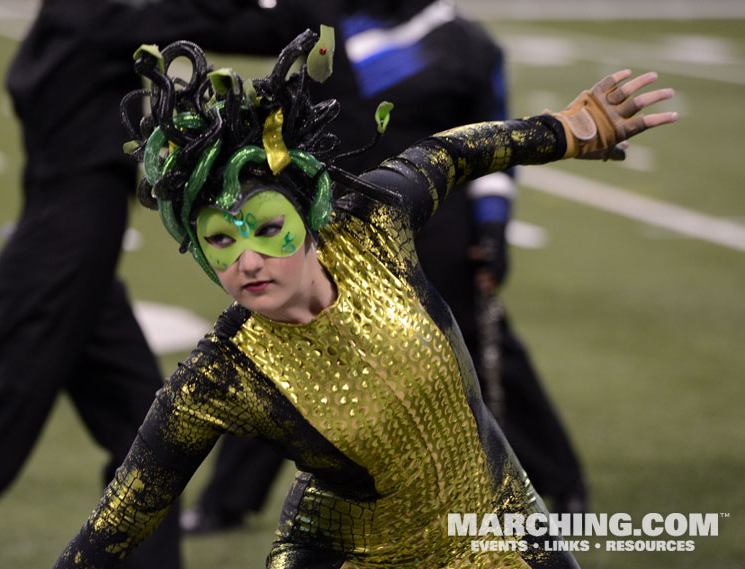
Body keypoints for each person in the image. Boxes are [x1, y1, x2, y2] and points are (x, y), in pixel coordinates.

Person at [51, 27, 675, 568]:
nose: (247, 260)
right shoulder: (218, 376)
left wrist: (567, 130)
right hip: (343, 557)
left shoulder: (372, 220)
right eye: (220, 240)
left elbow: (451, 153)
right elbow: (117, 523)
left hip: (498, 518)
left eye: (268, 229)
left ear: (311, 215)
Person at [0, 2, 335, 568]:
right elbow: (222, 26)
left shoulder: (64, 26)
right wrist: (303, 16)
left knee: (145, 436)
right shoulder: (94, 22)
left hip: (74, 264)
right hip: (63, 264)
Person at [182, 0, 586, 534]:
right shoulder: (322, 17)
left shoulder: (467, 41)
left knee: (476, 350)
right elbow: (233, 23)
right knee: (290, 349)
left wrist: (492, 227)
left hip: (437, 223)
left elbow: (491, 143)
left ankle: (562, 486)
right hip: (334, 215)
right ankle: (227, 501)